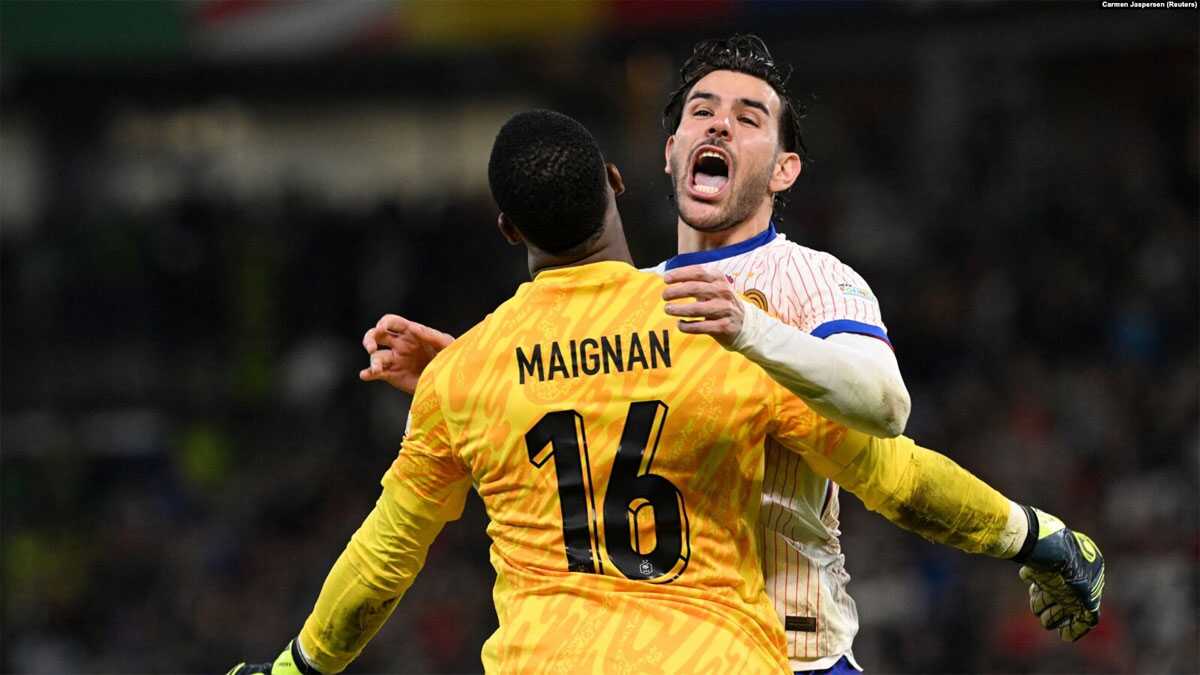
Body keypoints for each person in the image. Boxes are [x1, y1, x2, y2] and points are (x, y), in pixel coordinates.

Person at [231, 111, 1103, 675]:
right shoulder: (721, 328)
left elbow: (386, 557)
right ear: (615, 181)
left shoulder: (467, 375)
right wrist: (1038, 536)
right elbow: (893, 479)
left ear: (508, 228)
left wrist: (294, 668)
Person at [361, 35, 899, 672]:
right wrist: (464, 371)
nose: (720, 124)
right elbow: (587, 424)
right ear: (670, 153)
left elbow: (885, 404)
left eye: (748, 118)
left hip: (801, 652)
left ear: (783, 171)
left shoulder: (815, 279)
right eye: (703, 111)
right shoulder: (637, 301)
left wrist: (751, 331)